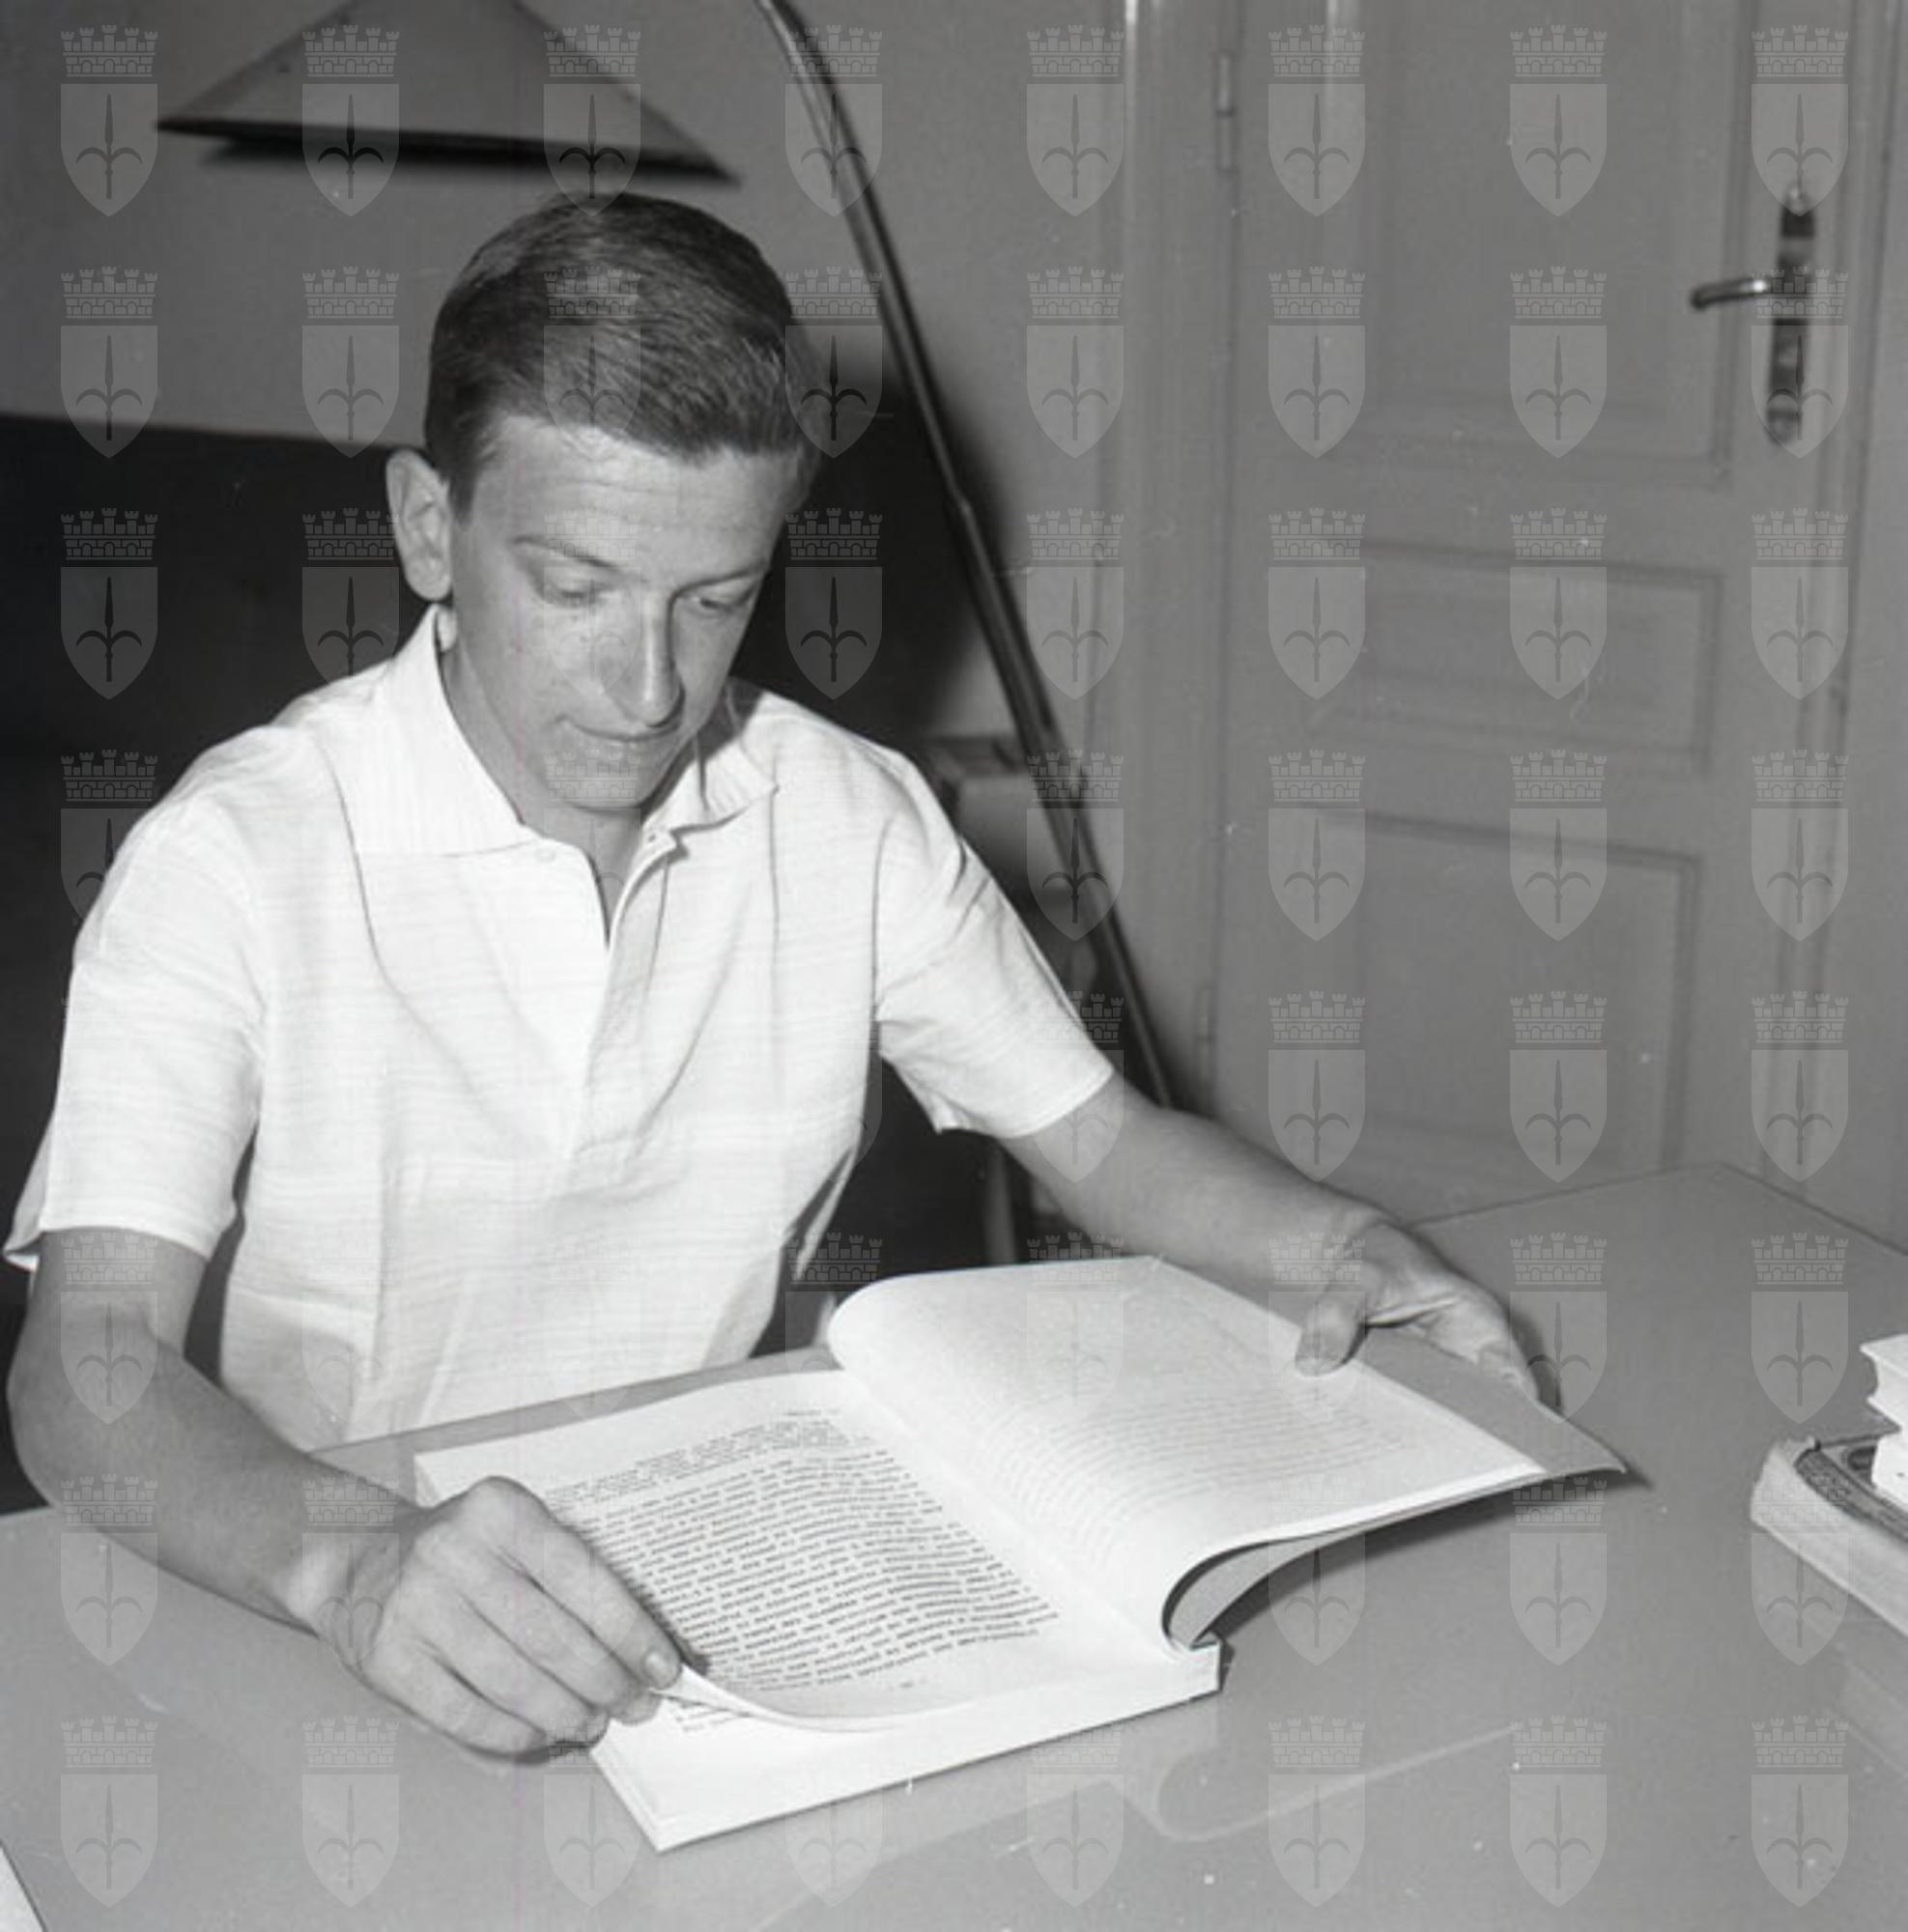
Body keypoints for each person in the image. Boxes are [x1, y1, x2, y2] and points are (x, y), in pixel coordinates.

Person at [5, 194, 1535, 1760]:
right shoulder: (230, 861)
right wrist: (352, 1567)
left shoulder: (848, 817)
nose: (650, 688)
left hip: (702, 1585)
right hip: (300, 1583)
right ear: (425, 529)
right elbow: (80, 1371)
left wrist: (1345, 1247)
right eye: (577, 588)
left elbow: (1107, 1147)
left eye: (717, 600)